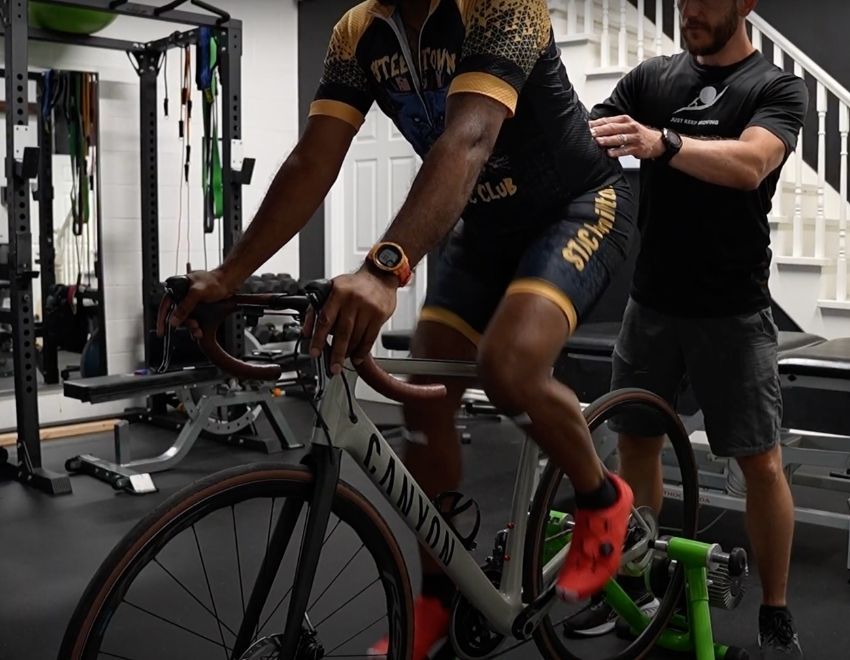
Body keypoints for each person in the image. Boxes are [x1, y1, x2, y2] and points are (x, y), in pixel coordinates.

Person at [170, 1, 638, 658]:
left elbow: (469, 138)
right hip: (484, 231)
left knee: (509, 368)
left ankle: (601, 497)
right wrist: (229, 274)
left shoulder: (503, 7)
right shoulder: (357, 33)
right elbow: (314, 160)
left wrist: (385, 269)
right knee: (422, 394)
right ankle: (438, 596)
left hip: (577, 207)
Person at [574, 0, 809, 658]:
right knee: (636, 447)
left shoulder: (776, 89)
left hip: (733, 311)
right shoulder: (652, 79)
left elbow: (750, 166)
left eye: (705, 1)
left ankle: (775, 609)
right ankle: (639, 587)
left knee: (759, 462)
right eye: (682, 1)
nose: (690, 11)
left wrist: (663, 142)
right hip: (651, 305)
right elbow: (585, 136)